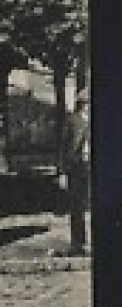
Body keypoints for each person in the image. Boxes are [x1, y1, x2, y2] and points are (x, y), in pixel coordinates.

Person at [59, 88, 91, 256]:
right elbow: (64, 148)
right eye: (87, 103)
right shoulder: (72, 121)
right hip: (78, 167)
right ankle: (78, 242)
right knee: (77, 205)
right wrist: (63, 172)